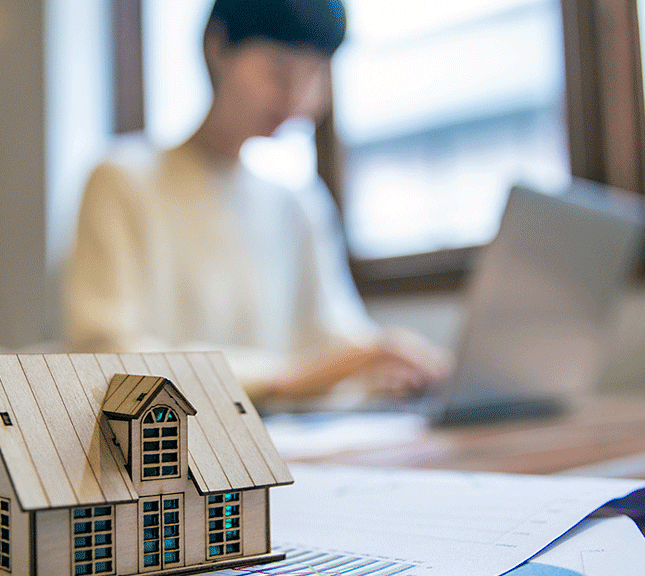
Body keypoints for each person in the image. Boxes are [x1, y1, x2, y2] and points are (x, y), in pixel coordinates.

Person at [64, 0, 445, 409]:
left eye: (314, 74)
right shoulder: (124, 180)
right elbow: (106, 352)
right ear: (216, 47)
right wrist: (287, 380)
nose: (296, 96)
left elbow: (336, 338)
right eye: (279, 71)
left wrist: (387, 363)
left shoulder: (299, 203)